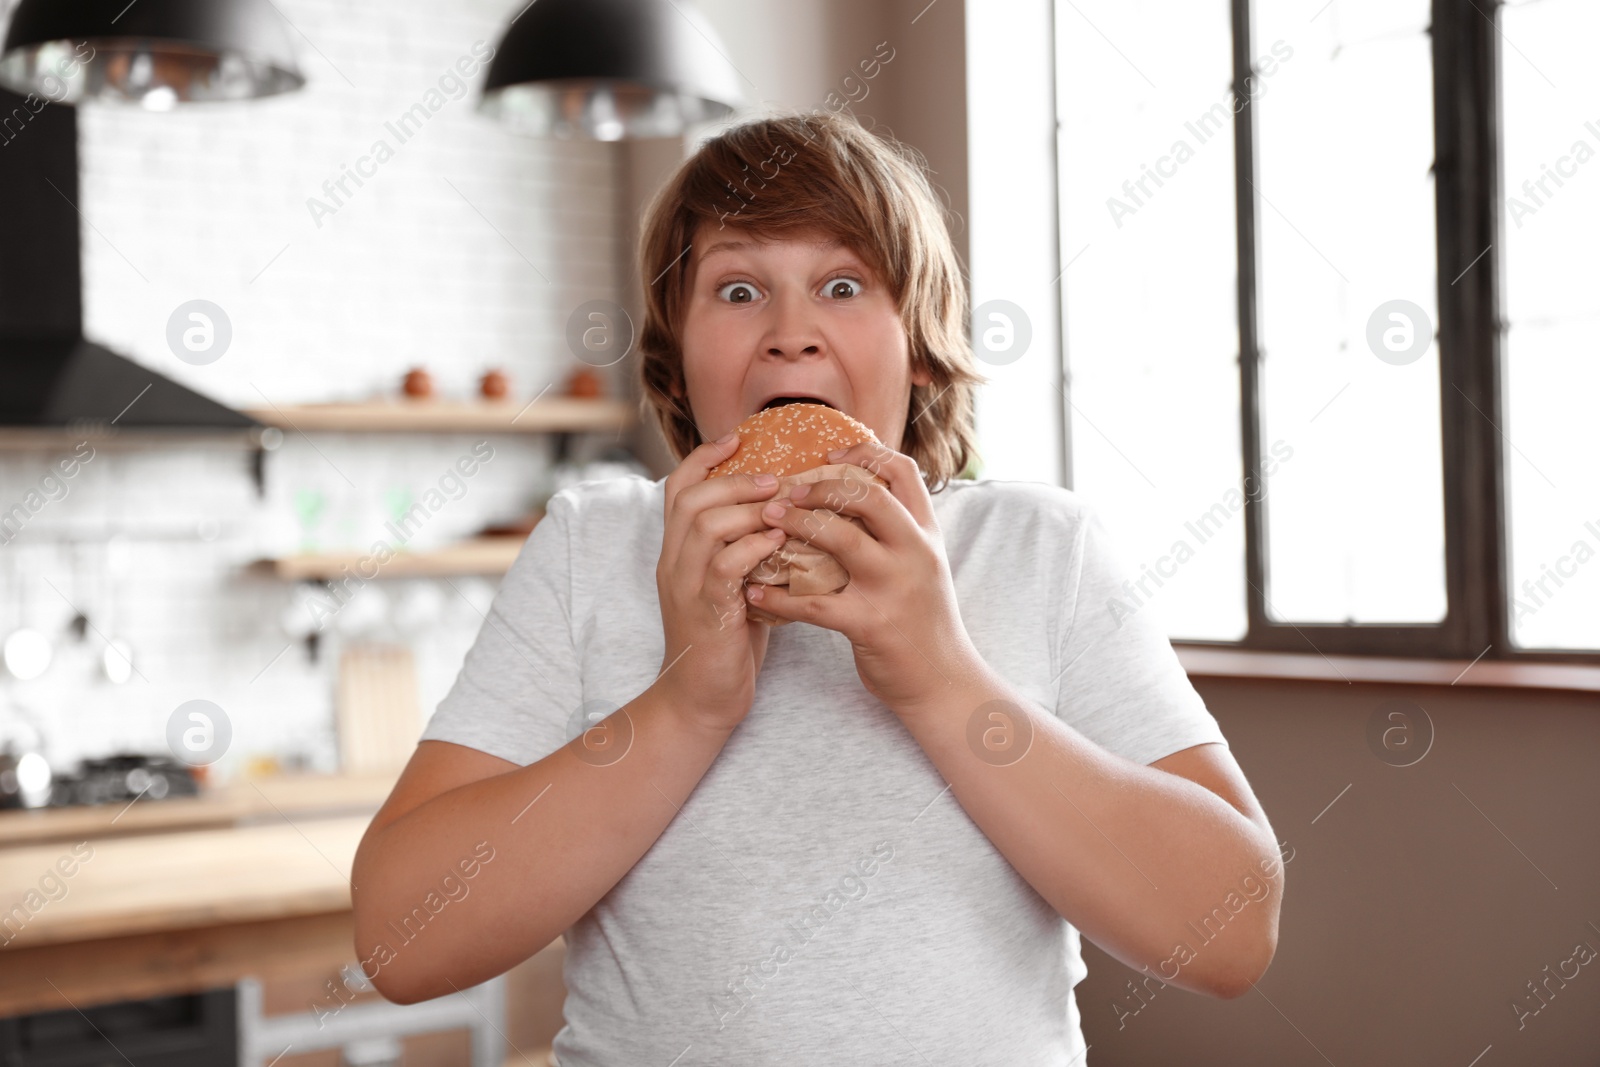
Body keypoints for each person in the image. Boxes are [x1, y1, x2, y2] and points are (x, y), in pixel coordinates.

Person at [352, 110, 1283, 1065]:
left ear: (919, 345)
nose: (791, 334)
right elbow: (400, 939)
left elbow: (1230, 932)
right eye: (739, 288)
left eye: (843, 285)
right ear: (677, 356)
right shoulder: (593, 550)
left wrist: (938, 677)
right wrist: (686, 706)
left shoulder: (1040, 548)